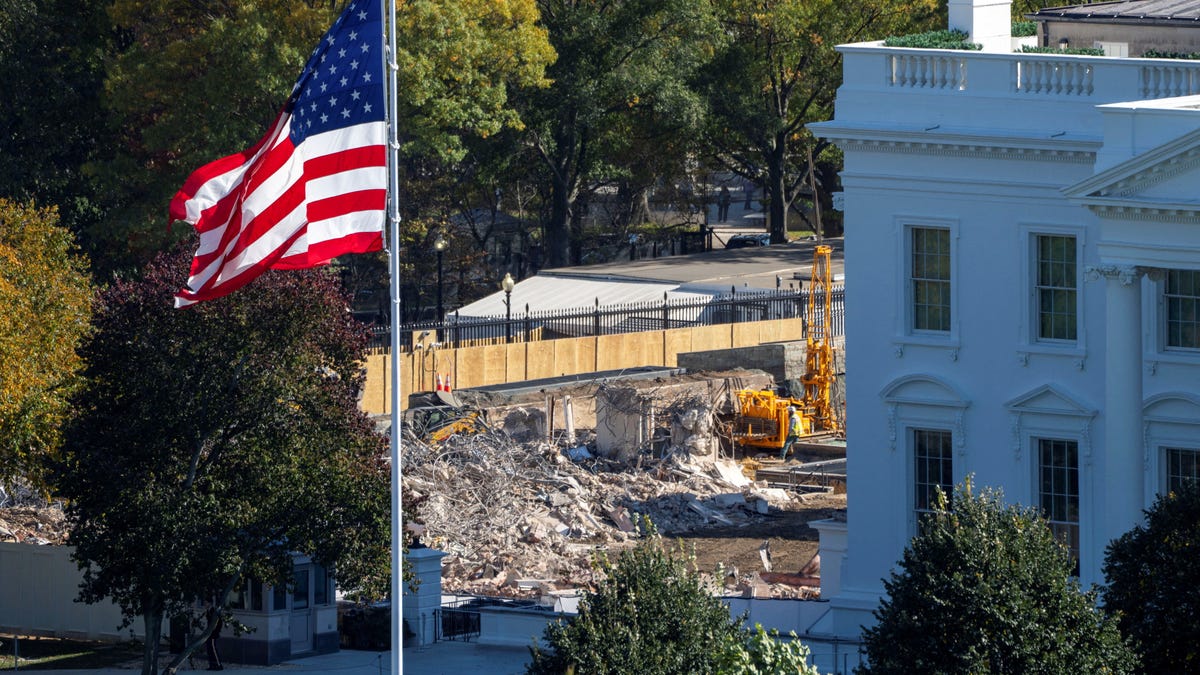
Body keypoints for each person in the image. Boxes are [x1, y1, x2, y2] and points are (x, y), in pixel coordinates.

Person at [205, 604, 224, 671]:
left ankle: (219, 665)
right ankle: (212, 665)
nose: (205, 604)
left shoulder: (213, 611)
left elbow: (219, 622)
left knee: (213, 649)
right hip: (209, 633)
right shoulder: (208, 610)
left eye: (206, 602)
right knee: (209, 649)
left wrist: (216, 631)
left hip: (213, 634)